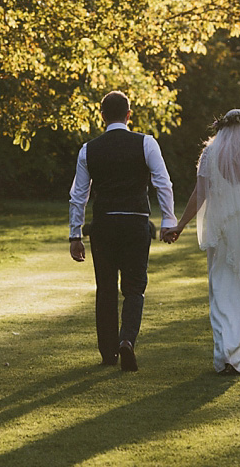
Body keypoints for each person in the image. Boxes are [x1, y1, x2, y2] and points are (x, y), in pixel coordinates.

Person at [162, 109, 240, 375]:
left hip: (222, 231)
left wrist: (181, 225)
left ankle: (226, 353)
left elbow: (200, 193)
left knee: (221, 289)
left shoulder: (210, 154)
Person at [69, 91, 178, 371]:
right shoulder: (146, 143)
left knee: (105, 288)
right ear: (129, 115)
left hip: (103, 225)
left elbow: (78, 195)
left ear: (102, 115)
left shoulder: (89, 149)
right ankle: (127, 340)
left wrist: (75, 235)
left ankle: (108, 354)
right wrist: (168, 221)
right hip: (135, 223)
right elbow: (163, 183)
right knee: (134, 288)